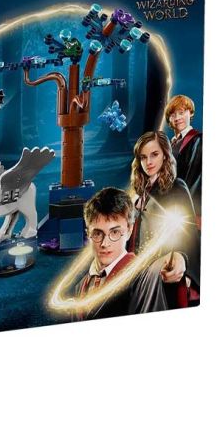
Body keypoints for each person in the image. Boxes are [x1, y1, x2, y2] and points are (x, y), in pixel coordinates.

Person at [129, 131, 200, 308]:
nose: (149, 162)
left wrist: (182, 259)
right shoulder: (140, 192)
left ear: (165, 155)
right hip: (140, 272)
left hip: (165, 271)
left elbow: (189, 234)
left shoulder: (177, 187)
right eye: (143, 157)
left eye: (154, 154)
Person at [76, 187, 165, 320]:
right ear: (88, 233)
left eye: (115, 232)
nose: (105, 243)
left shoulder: (144, 279)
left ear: (129, 230)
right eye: (98, 233)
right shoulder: (80, 287)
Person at [164, 95, 202, 225]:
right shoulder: (171, 144)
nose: (177, 118)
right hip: (168, 205)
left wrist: (188, 211)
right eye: (173, 115)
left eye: (181, 113)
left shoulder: (197, 140)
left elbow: (194, 177)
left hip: (184, 209)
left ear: (190, 113)